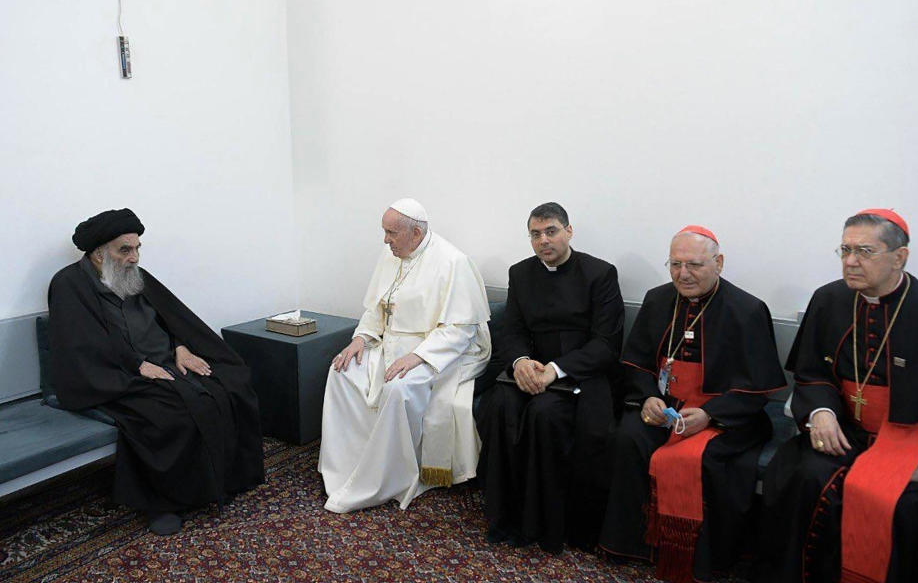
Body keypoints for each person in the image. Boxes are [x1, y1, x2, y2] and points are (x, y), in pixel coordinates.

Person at [758, 209, 918, 583]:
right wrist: (820, 411)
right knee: (802, 478)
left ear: (900, 257)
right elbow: (811, 372)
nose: (850, 262)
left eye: (865, 251)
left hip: (912, 442)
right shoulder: (828, 300)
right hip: (844, 432)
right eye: (845, 250)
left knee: (907, 505)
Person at [48, 208, 265, 536]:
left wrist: (181, 346)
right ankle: (163, 502)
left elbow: (171, 317)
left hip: (165, 361)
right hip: (114, 375)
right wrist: (137, 365)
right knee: (171, 413)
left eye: (137, 248)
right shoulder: (68, 284)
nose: (134, 257)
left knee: (231, 382)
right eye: (125, 249)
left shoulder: (133, 275)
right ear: (97, 254)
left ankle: (229, 479)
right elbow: (79, 345)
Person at [598, 225, 785, 583]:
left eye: (695, 265)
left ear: (719, 263)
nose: (683, 274)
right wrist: (648, 396)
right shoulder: (657, 299)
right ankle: (639, 545)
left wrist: (710, 415)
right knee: (628, 437)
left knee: (706, 459)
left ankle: (698, 557)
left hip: (723, 415)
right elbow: (636, 364)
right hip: (665, 407)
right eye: (675, 264)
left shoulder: (747, 310)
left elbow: (759, 388)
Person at [319, 198, 491, 512]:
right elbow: (376, 307)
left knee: (398, 389)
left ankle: (389, 477)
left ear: (415, 233)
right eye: (384, 232)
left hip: (439, 352)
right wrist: (360, 338)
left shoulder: (453, 262)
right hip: (389, 344)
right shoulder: (391, 255)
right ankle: (350, 464)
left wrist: (418, 357)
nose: (385, 240)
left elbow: (460, 331)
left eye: (391, 233)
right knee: (341, 371)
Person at [477, 202, 624, 554]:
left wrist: (556, 370)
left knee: (546, 414)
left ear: (569, 231)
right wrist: (519, 361)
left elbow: (607, 344)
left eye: (551, 231)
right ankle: (506, 519)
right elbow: (511, 329)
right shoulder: (521, 273)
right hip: (530, 370)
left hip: (582, 373)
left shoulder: (600, 274)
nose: (544, 240)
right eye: (535, 234)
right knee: (500, 405)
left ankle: (549, 526)